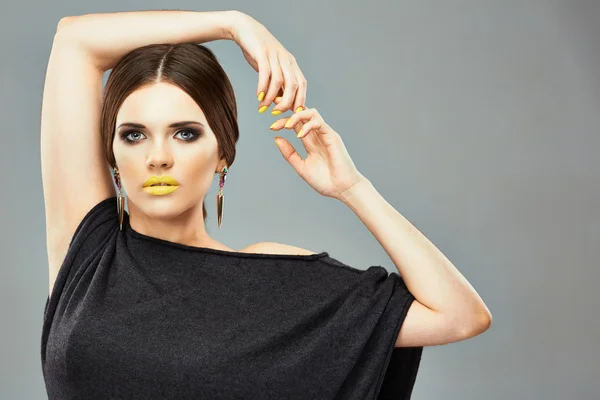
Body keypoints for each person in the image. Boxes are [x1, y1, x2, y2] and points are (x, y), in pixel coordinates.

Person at [39, 10, 491, 400]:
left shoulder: (276, 282)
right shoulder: (91, 255)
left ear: (222, 154)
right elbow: (75, 41)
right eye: (134, 135)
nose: (157, 156)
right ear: (112, 155)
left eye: (185, 133)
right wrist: (232, 24)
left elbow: (459, 315)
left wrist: (352, 187)